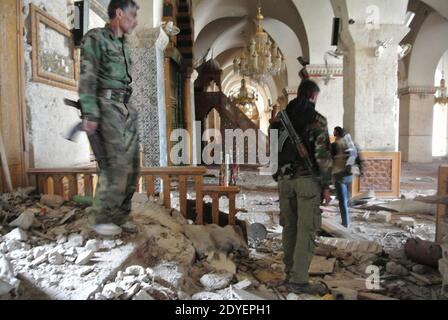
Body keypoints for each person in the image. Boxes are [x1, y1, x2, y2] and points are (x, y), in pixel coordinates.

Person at [79, 0, 140, 236]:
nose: (135, 21)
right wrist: (90, 112)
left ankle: (120, 215)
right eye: (132, 15)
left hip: (125, 106)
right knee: (115, 164)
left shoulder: (124, 44)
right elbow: (87, 76)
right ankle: (100, 218)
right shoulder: (96, 38)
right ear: (119, 13)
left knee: (133, 167)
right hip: (105, 106)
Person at [270, 80, 333, 296]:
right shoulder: (317, 120)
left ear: (298, 94)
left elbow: (272, 149)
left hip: (284, 181)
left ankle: (290, 274)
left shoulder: (280, 119)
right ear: (313, 96)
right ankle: (298, 280)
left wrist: (277, 174)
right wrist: (326, 185)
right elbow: (322, 156)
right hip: (307, 181)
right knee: (306, 230)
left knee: (289, 227)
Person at [331, 127, 360, 228]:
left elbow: (329, 159)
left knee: (342, 199)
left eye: (334, 131)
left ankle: (345, 222)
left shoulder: (335, 145)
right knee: (347, 197)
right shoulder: (351, 143)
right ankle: (348, 218)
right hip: (350, 173)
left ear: (336, 133)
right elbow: (358, 157)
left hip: (339, 174)